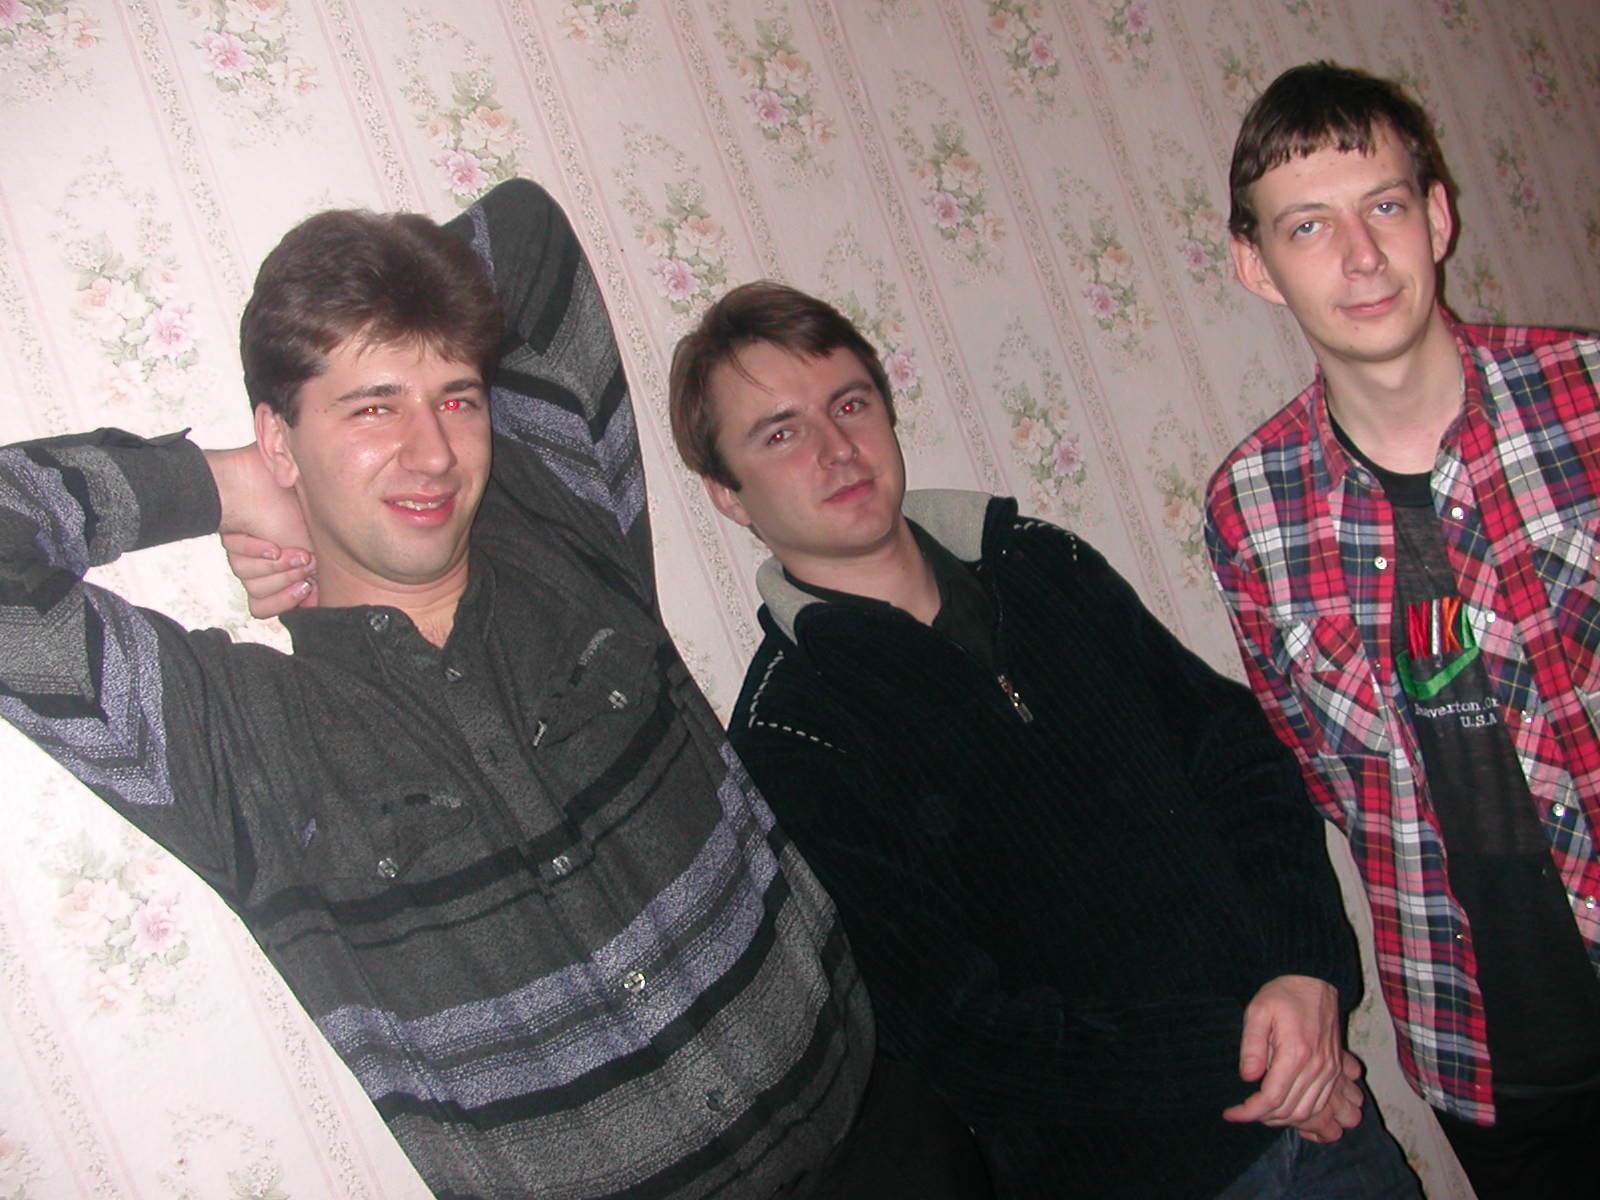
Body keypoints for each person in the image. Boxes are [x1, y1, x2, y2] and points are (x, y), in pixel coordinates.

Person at [0, 180, 991, 1199]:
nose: (432, 451)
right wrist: (224, 483)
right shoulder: (235, 744)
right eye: (373, 406)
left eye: (457, 398)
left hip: (895, 1145)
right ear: (280, 438)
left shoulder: (568, 532)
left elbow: (528, 237)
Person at [665, 280, 1422, 1199]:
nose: (836, 448)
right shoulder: (792, 735)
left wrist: (1307, 973)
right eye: (780, 434)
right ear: (728, 495)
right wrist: (1251, 1054)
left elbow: (1241, 759)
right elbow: (956, 1032)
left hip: (1322, 1118)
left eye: (850, 404)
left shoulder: (1044, 565)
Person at [1205, 61, 1600, 1199]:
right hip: (1484, 1059)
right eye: (1307, 226)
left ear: (1437, 215)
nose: (1361, 256)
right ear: (1256, 266)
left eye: (1383, 205)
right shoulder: (1249, 512)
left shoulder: (1585, 397)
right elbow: (1319, 770)